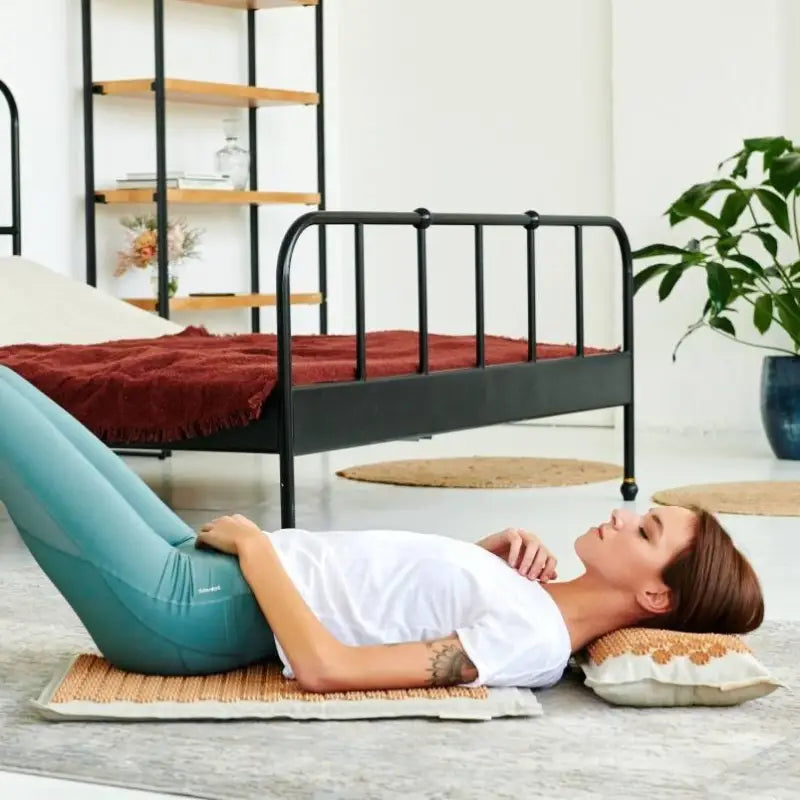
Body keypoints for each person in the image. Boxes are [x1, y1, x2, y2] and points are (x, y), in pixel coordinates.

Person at [0, 366, 764, 693]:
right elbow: (385, 601)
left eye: (647, 530)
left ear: (657, 597)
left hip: (185, 610)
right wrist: (481, 558)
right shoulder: (533, 599)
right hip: (200, 569)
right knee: (11, 385)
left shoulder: (531, 642)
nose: (625, 515)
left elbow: (328, 668)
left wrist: (260, 548)